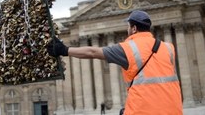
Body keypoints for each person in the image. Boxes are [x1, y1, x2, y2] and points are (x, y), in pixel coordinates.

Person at [47, 10, 183, 115]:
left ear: (134, 28)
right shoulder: (168, 48)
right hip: (173, 110)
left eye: (128, 26)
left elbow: (93, 52)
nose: (127, 29)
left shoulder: (128, 48)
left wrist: (64, 50)